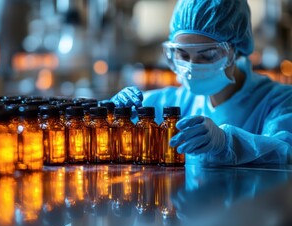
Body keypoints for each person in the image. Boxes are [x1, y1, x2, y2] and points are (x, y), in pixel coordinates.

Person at [110, 0, 292, 166]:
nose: (191, 67)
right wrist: (111, 112)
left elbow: (285, 152)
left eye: (207, 55)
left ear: (234, 50)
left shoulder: (279, 102)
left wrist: (227, 143)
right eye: (182, 54)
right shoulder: (175, 102)